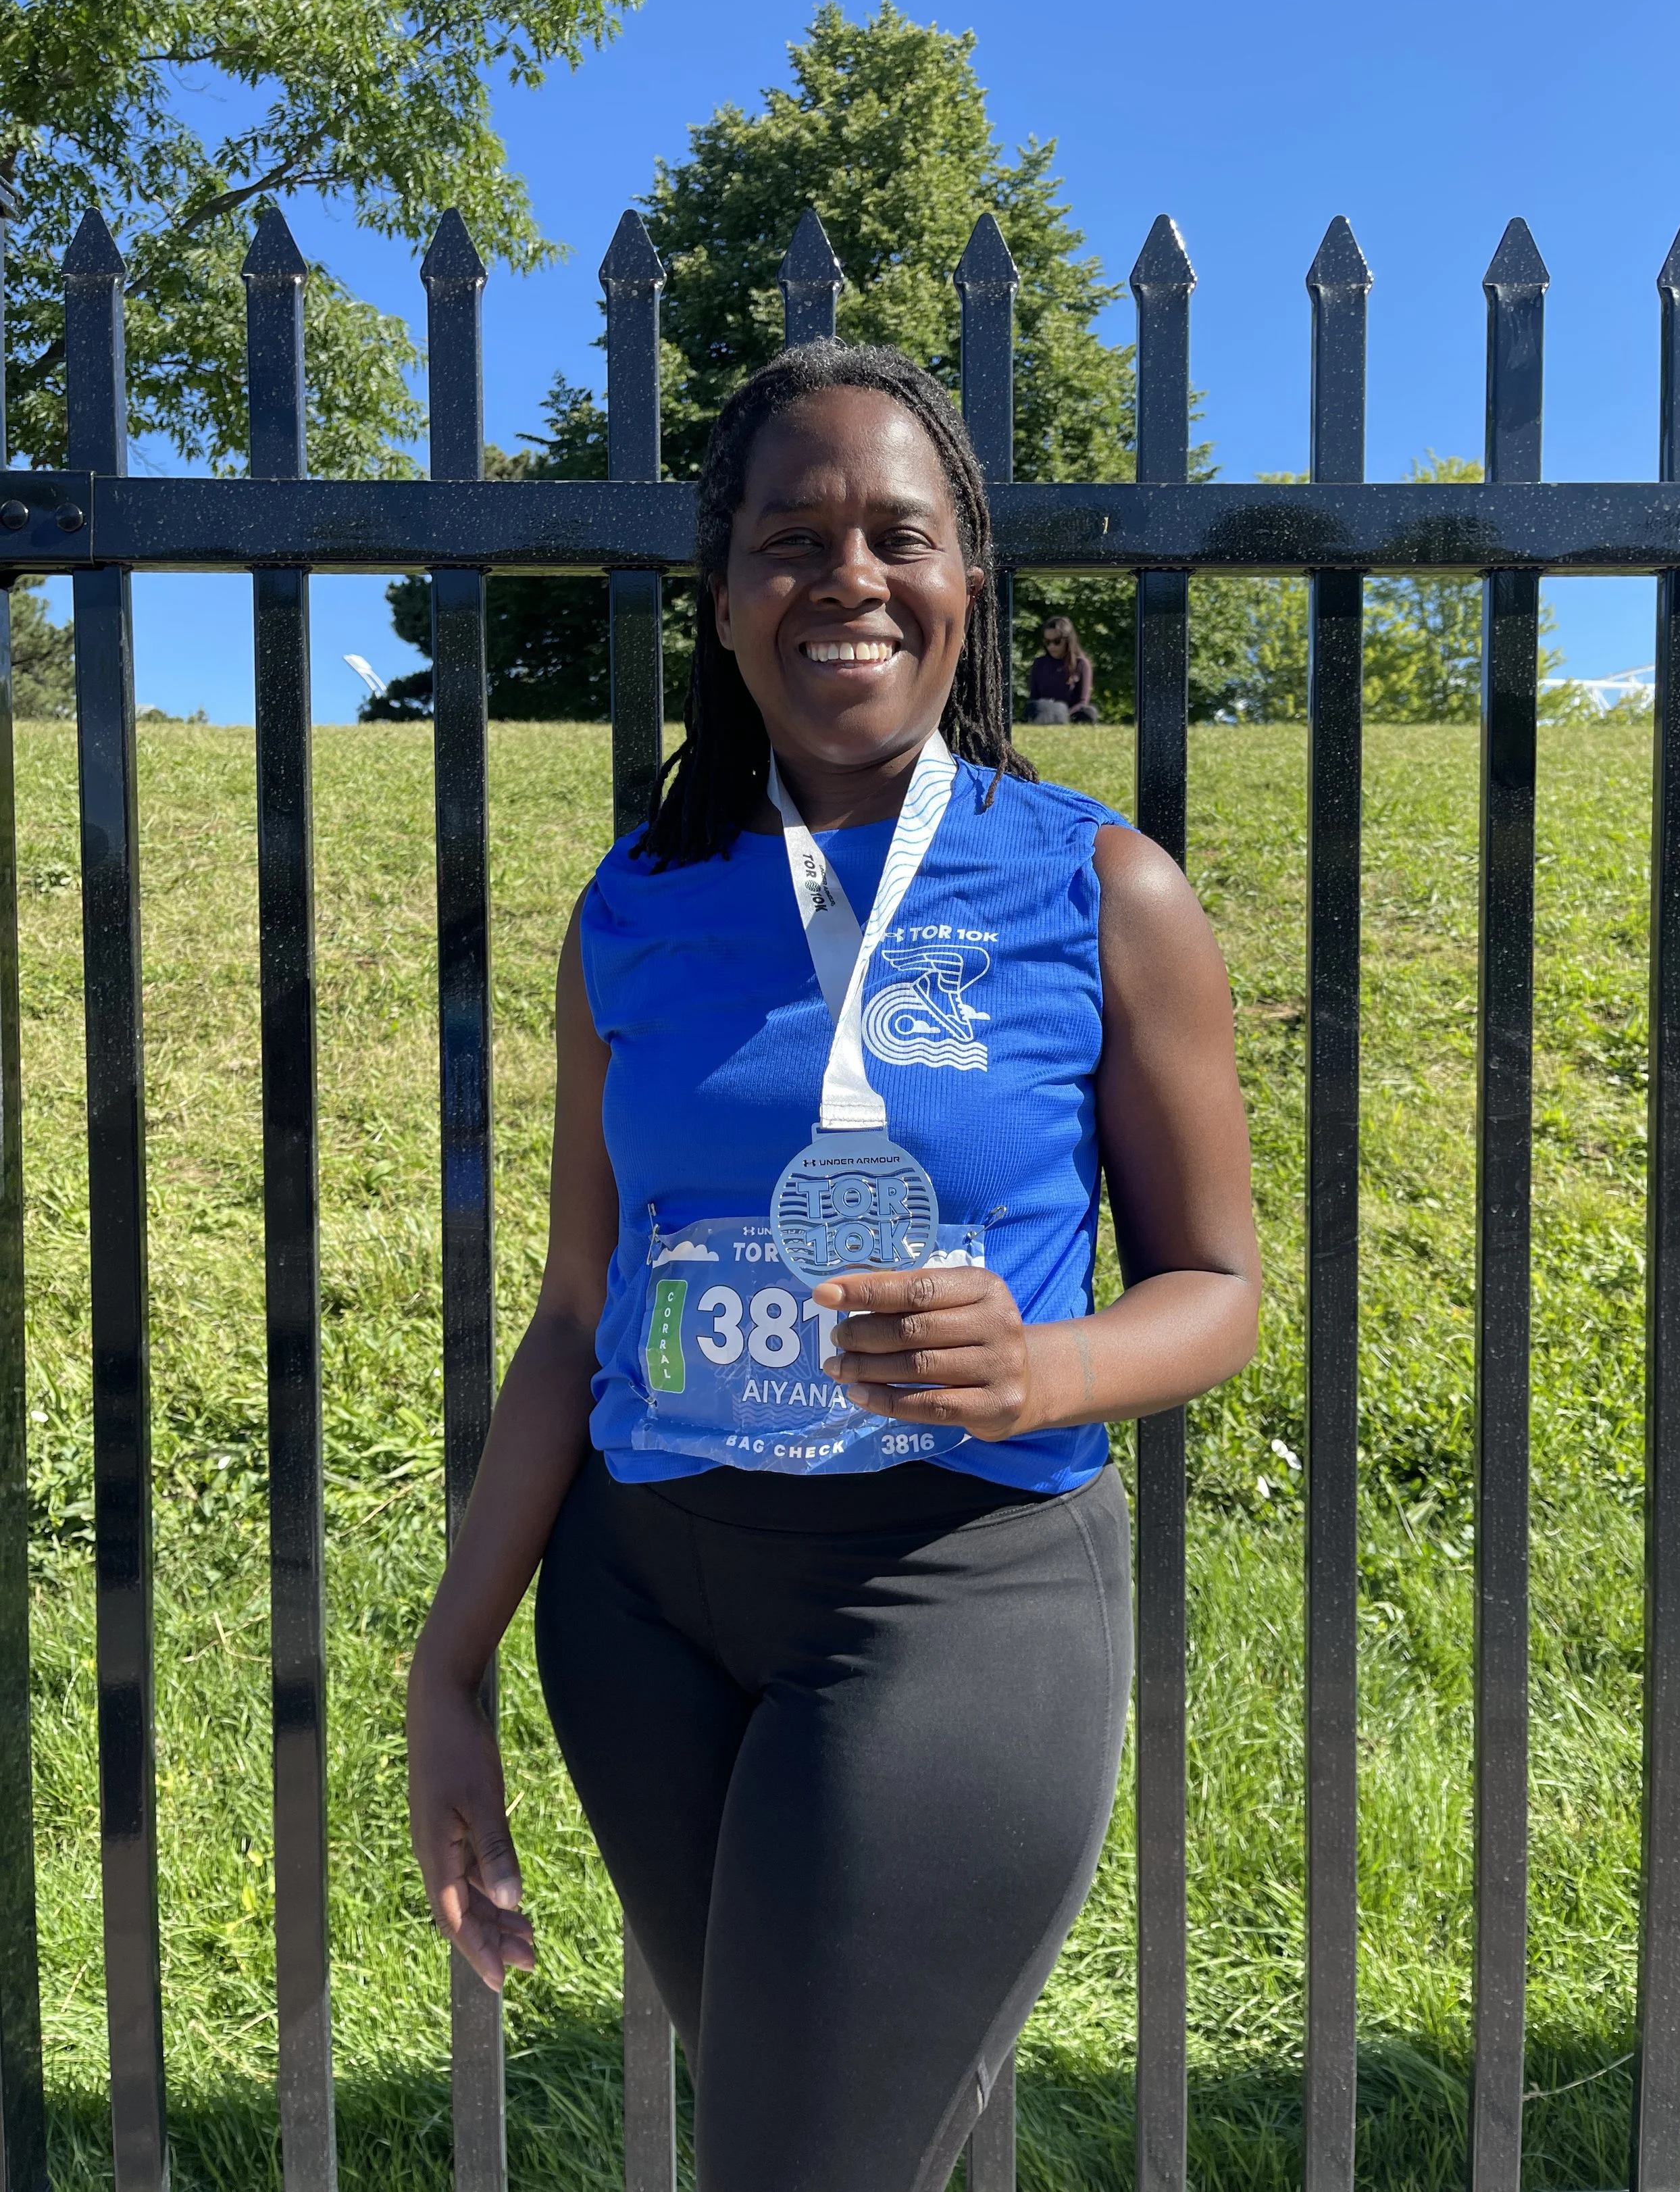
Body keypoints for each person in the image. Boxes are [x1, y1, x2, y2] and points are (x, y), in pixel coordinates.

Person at [406, 341, 1259, 2192]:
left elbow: (1217, 1282)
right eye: (792, 540)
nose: (848, 577)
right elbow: (578, 1308)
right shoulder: (631, 904)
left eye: (899, 533)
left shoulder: (1101, 888)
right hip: (642, 1611)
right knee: (869, 2140)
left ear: (966, 583)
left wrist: (1034, 1365)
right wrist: (448, 1660)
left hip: (951, 1593)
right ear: (723, 601)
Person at [1026, 612, 1099, 722]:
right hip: (1044, 712)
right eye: (1048, 642)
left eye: (1057, 642)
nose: (1051, 647)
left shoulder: (1081, 664)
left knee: (1089, 712)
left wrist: (1065, 715)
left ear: (1068, 641)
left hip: (1071, 714)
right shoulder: (1039, 663)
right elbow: (1034, 698)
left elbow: (1082, 702)